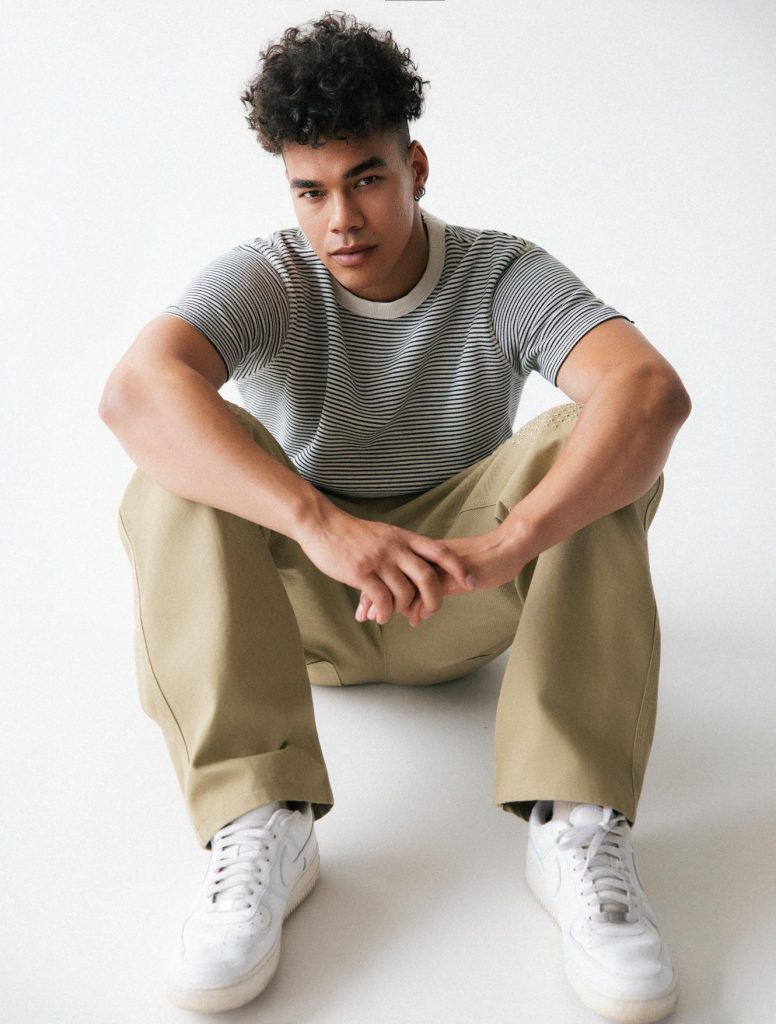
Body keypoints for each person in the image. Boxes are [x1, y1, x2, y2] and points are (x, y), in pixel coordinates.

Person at [98, 11, 691, 1022]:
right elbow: (134, 393)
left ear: (414, 167)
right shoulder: (269, 275)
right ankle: (260, 820)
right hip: (304, 607)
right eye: (311, 190)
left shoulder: (501, 273)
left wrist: (510, 540)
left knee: (595, 437)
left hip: (461, 590)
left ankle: (575, 820)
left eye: (366, 179)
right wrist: (319, 524)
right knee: (173, 470)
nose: (341, 219)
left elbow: (650, 391)